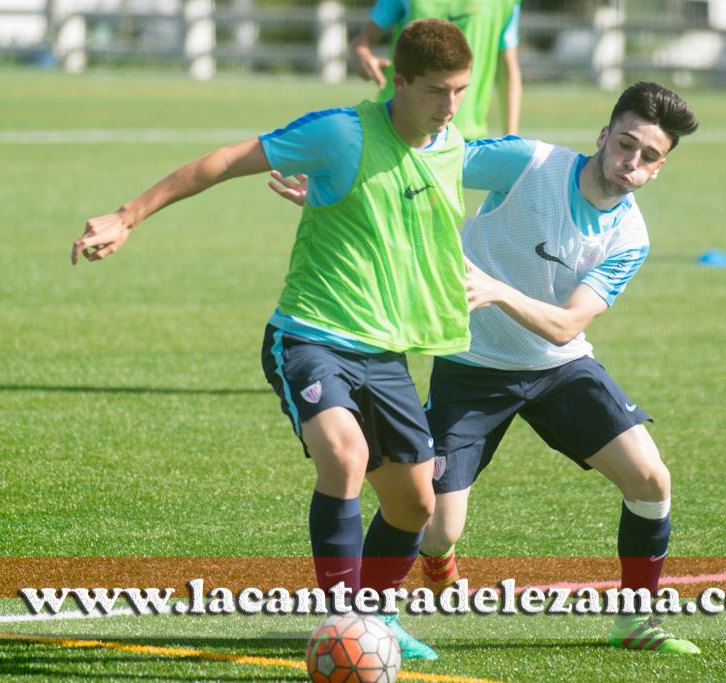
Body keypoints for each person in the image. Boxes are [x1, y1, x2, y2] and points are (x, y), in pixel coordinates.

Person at [71, 18, 475, 661]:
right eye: (434, 91)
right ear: (397, 81)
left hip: (386, 351)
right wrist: (127, 216)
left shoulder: (449, 145)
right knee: (343, 458)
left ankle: (375, 615)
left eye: (458, 90)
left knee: (415, 503)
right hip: (309, 335)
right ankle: (344, 624)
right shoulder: (340, 132)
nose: (449, 106)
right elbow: (226, 161)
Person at [270, 81, 701, 655]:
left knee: (652, 479)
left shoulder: (630, 236)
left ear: (660, 167)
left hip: (560, 369)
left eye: (649, 157)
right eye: (626, 144)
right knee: (434, 523)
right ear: (603, 136)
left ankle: (635, 620)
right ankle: (378, 612)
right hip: (471, 367)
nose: (632, 162)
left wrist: (498, 291)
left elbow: (567, 326)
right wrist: (344, 192)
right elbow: (423, 158)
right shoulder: (529, 163)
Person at [351, 0, 522, 139]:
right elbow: (361, 43)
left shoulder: (505, 2)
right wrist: (363, 58)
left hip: (464, 132)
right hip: (400, 127)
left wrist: (511, 135)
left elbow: (507, 68)